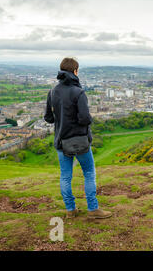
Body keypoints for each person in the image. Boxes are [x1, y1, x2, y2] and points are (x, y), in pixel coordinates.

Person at [44, 57, 112, 219]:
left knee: (65, 176)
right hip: (80, 140)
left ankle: (70, 210)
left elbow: (48, 118)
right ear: (75, 71)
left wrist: (61, 119)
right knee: (88, 172)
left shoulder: (53, 92)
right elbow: (85, 118)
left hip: (61, 141)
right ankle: (93, 209)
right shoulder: (78, 92)